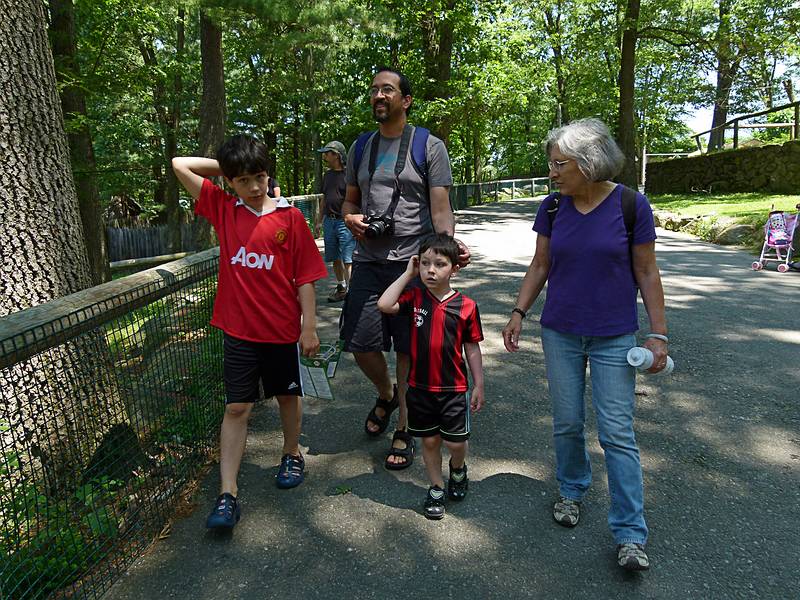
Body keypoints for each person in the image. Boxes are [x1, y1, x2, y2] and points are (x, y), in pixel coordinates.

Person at [501, 118, 668, 571]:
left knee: (618, 432)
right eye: (551, 164)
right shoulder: (553, 208)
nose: (552, 173)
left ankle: (631, 533)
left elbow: (647, 272)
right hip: (561, 333)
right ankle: (572, 489)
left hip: (615, 335)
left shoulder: (632, 206)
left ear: (589, 163)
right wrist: (519, 313)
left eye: (560, 164)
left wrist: (658, 334)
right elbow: (540, 264)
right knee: (568, 421)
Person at [172, 135, 327, 530]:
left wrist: (308, 326)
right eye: (243, 180)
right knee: (236, 407)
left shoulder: (291, 218)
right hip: (238, 332)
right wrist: (227, 167)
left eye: (259, 176)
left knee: (287, 396)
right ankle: (227, 494)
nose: (255, 187)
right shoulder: (223, 209)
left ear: (267, 173)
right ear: (229, 182)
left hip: (280, 330)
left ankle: (291, 453)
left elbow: (306, 277)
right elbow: (179, 164)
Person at [341, 66, 469, 470]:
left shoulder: (428, 145)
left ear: (406, 100)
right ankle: (386, 393)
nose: (380, 95)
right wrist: (349, 219)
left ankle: (404, 427)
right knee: (360, 343)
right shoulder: (360, 148)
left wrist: (444, 253)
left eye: (388, 90)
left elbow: (441, 207)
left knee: (410, 351)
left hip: (413, 265)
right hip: (369, 261)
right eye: (375, 89)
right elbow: (348, 203)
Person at [377, 233, 484, 519]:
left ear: (455, 269)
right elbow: (385, 305)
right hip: (420, 388)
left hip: (454, 388)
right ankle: (436, 487)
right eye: (425, 263)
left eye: (439, 264)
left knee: (456, 443)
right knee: (430, 441)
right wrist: (407, 272)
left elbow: (472, 347)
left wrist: (479, 384)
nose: (431, 270)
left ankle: (458, 470)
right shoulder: (414, 297)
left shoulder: (467, 306)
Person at [316, 140, 355, 302]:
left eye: (327, 153)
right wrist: (319, 221)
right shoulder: (328, 175)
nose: (324, 156)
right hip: (329, 221)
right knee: (334, 257)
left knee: (348, 258)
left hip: (344, 222)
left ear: (336, 155)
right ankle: (342, 287)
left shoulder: (349, 175)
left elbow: (355, 199)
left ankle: (353, 292)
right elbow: (325, 198)